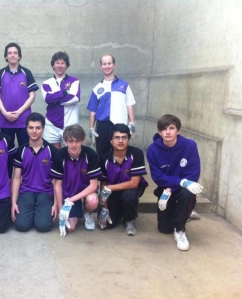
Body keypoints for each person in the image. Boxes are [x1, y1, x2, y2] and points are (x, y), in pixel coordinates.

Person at [147, 114, 203, 251]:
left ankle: (180, 231)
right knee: (164, 229)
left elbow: (193, 173)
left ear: (178, 130)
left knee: (187, 193)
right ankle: (186, 212)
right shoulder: (153, 150)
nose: (167, 132)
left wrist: (179, 184)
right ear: (159, 132)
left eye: (171, 128)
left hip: (182, 189)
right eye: (164, 129)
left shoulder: (189, 146)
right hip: (165, 189)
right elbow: (157, 177)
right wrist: (175, 185)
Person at [50, 124, 101, 236]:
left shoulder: (91, 155)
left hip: (84, 192)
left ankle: (87, 212)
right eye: (70, 141)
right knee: (70, 228)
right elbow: (57, 185)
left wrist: (71, 200)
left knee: (93, 201)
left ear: (82, 140)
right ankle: (74, 211)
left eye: (77, 141)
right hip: (67, 194)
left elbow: (93, 185)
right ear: (65, 141)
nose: (73, 145)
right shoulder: (59, 155)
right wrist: (61, 211)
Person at [98, 124, 148, 236]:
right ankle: (120, 209)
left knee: (129, 197)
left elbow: (134, 184)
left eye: (124, 137)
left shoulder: (136, 154)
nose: (120, 141)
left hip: (132, 189)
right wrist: (104, 208)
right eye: (117, 137)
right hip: (114, 190)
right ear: (111, 140)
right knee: (106, 224)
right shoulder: (105, 158)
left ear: (128, 140)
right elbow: (103, 184)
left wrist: (110, 187)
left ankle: (129, 220)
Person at [11, 112, 58, 232]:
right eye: (31, 127)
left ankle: (39, 212)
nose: (34, 131)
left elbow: (57, 181)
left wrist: (56, 204)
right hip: (26, 191)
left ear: (43, 128)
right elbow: (16, 178)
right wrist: (14, 203)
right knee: (21, 226)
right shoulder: (20, 150)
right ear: (26, 128)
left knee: (43, 226)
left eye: (38, 128)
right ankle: (30, 210)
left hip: (46, 193)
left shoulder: (52, 151)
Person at [87, 54, 136, 160]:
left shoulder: (124, 85)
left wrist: (132, 123)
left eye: (109, 63)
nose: (107, 66)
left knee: (121, 153)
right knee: (102, 154)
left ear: (114, 65)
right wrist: (91, 128)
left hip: (120, 124)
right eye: (104, 64)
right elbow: (93, 110)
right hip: (102, 126)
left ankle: (119, 176)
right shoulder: (97, 88)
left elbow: (129, 104)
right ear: (101, 66)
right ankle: (103, 176)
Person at [0, 42, 39, 147]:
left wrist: (19, 112)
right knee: (5, 151)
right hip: (5, 120)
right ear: (6, 56)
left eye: (15, 53)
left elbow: (32, 96)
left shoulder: (27, 73)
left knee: (25, 149)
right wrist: (5, 113)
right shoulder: (0, 73)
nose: (12, 55)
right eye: (10, 53)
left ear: (19, 56)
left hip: (23, 120)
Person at [41, 51, 80, 149]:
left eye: (63, 63)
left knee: (71, 155)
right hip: (51, 125)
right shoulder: (46, 83)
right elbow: (47, 98)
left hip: (70, 125)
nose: (60, 65)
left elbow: (75, 97)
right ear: (53, 65)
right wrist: (65, 92)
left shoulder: (74, 81)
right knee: (54, 156)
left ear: (66, 65)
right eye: (57, 63)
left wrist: (55, 99)